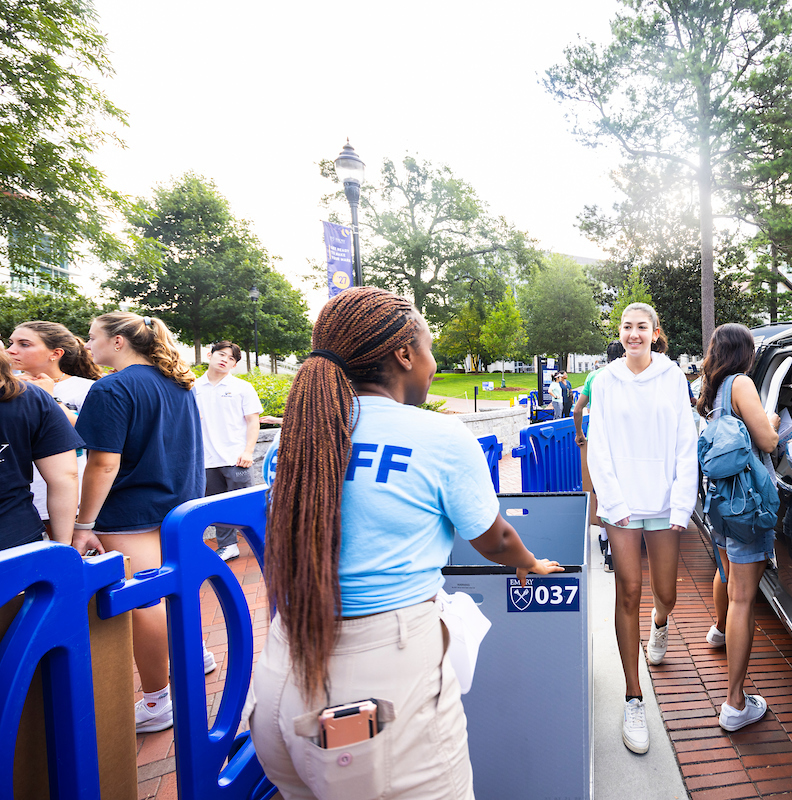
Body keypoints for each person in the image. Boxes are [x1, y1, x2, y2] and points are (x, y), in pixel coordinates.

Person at [250, 287, 562, 800]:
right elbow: (496, 537)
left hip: (282, 677)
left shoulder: (301, 437)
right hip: (376, 695)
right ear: (404, 354)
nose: (434, 364)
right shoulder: (438, 436)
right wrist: (530, 564)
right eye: (430, 348)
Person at [74, 313, 208, 733]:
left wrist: (83, 523)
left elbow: (103, 462)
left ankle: (156, 701)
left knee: (144, 603)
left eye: (92, 336)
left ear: (118, 342)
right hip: (179, 506)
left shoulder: (112, 387)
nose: (87, 343)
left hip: (132, 509)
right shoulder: (178, 383)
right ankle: (197, 652)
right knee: (173, 591)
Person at [586, 303, 697, 755]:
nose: (634, 334)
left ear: (655, 332)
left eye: (642, 327)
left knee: (664, 593)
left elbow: (685, 442)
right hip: (622, 505)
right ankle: (634, 696)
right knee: (628, 590)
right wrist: (613, 501)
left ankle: (661, 621)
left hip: (664, 501)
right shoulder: (605, 380)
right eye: (627, 327)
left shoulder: (673, 378)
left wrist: (681, 502)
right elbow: (600, 443)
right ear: (621, 333)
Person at [696, 323, 780, 732]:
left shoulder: (711, 391)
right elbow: (767, 443)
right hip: (747, 502)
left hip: (722, 502)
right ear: (746, 353)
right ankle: (734, 704)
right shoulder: (742, 383)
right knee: (744, 597)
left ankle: (717, 631)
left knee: (726, 573)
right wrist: (773, 421)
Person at [6, 320, 102, 528]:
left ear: (55, 353)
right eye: (10, 343)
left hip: (68, 503)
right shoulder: (8, 389)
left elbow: (93, 434)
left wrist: (49, 398)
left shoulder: (85, 388)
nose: (11, 350)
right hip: (16, 505)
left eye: (24, 344)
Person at [0, 347, 87, 551]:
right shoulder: (31, 397)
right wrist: (63, 545)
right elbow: (65, 476)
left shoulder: (30, 397)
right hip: (16, 538)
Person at [194, 340, 263, 561]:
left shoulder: (242, 388)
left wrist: (248, 451)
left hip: (237, 458)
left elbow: (253, 422)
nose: (225, 359)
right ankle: (228, 545)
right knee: (217, 507)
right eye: (221, 354)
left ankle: (265, 541)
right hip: (206, 460)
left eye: (231, 358)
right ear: (209, 355)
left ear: (234, 365)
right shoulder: (192, 387)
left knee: (248, 504)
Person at [573, 340, 625, 572]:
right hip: (623, 443)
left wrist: (579, 433)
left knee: (602, 490)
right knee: (621, 491)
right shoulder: (628, 375)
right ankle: (613, 554)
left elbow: (577, 409)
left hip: (598, 440)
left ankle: (604, 538)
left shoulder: (594, 377)